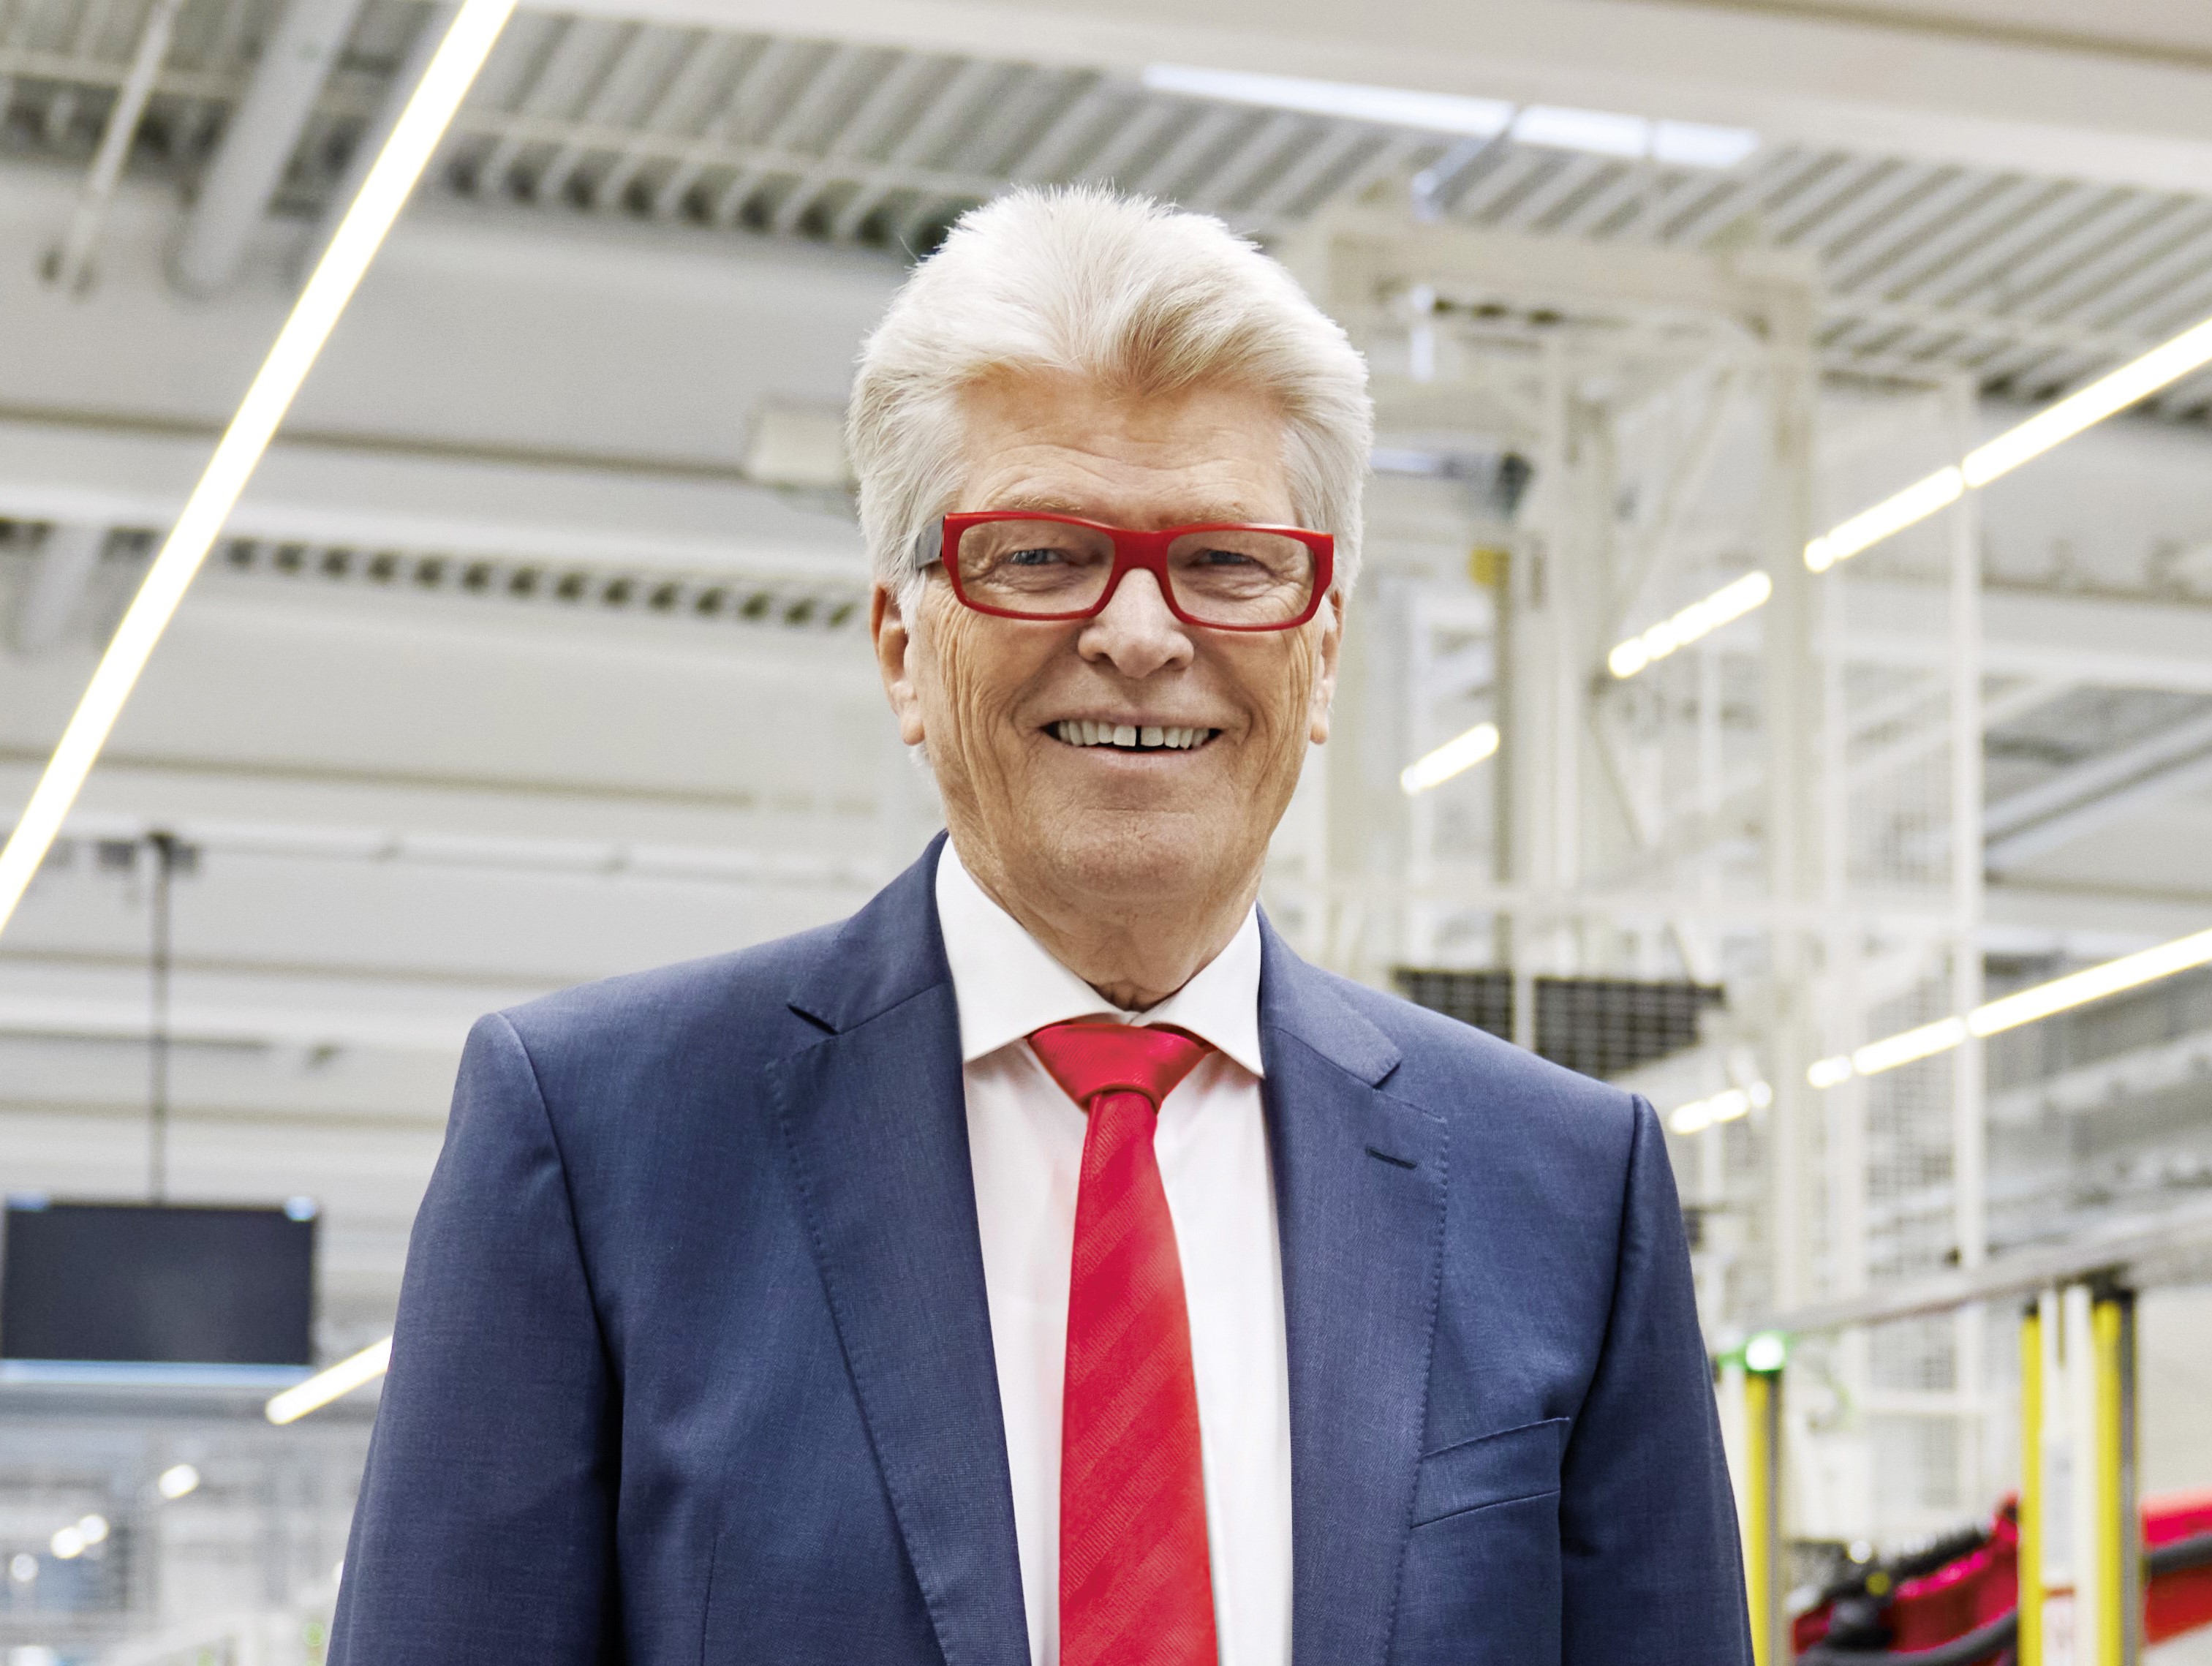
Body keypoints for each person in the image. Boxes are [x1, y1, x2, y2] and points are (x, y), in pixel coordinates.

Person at [328, 186, 1750, 1666]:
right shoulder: (601, 1145)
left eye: (1227, 562)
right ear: (903, 645)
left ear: (1321, 654)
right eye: (1040, 554)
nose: (1139, 633)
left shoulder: (1563, 1192)